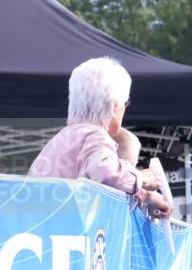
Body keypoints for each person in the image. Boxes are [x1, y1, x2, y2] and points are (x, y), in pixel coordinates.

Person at [29, 58, 170, 217]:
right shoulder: (95, 136)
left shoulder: (59, 139)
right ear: (115, 106)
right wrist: (142, 177)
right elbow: (106, 173)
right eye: (126, 103)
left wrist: (148, 196)